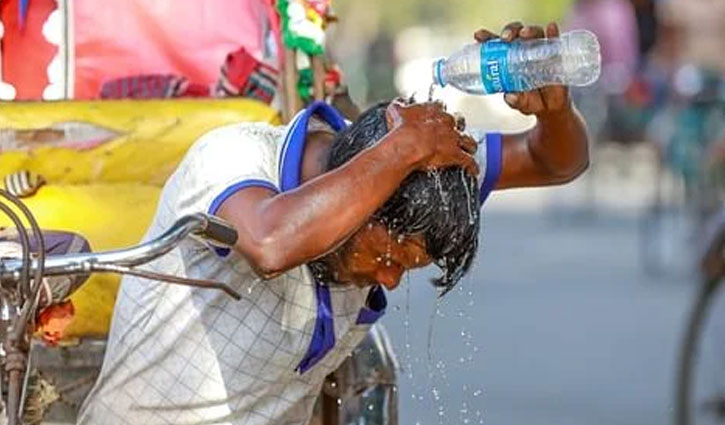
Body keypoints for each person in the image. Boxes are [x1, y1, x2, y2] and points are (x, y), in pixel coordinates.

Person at [78, 22, 589, 425]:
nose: (390, 280)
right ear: (365, 197)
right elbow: (272, 244)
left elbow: (556, 162)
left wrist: (555, 112)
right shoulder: (231, 159)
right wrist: (405, 147)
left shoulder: (418, 179)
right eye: (392, 257)